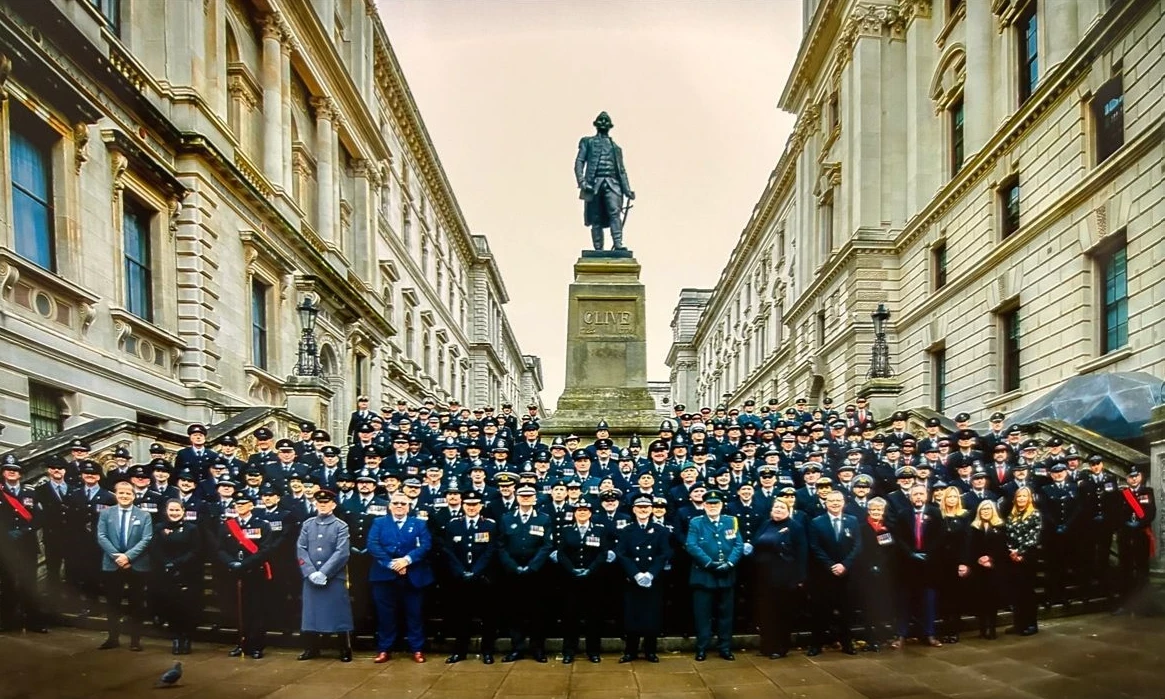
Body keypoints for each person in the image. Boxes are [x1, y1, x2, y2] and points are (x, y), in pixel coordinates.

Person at [368, 491, 433, 664]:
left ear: (409, 506)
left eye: (403, 504)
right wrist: (392, 564)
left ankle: (417, 649)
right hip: (384, 575)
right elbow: (373, 544)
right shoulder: (379, 522)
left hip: (413, 575)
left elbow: (426, 545)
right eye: (395, 503)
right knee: (385, 614)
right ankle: (384, 649)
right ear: (389, 506)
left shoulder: (419, 524)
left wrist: (406, 560)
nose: (399, 506)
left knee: (415, 614)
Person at [684, 490, 744, 661]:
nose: (712, 507)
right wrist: (709, 563)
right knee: (702, 615)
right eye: (709, 504)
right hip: (704, 575)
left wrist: (730, 563)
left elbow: (738, 545)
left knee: (726, 614)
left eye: (716, 503)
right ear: (703, 505)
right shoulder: (696, 522)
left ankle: (724, 648)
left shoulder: (731, 521)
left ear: (722, 505)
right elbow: (691, 545)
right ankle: (702, 648)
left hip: (727, 573)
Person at [498, 484, 554, 663]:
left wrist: (532, 567)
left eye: (530, 496)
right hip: (513, 573)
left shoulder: (544, 519)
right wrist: (513, 566)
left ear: (535, 499)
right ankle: (517, 648)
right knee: (515, 611)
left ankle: (537, 649)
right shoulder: (506, 518)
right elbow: (500, 545)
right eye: (522, 496)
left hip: (536, 574)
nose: (526, 499)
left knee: (537, 612)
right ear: (516, 497)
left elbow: (547, 545)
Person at [296, 490, 354, 662]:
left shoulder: (340, 525)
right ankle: (311, 648)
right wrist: (310, 572)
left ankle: (344, 648)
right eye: (319, 502)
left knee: (338, 613)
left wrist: (324, 572)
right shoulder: (308, 524)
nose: (322, 505)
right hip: (311, 576)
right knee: (311, 614)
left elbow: (342, 552)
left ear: (333, 505)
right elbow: (301, 549)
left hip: (333, 577)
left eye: (326, 503)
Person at [442, 491, 499, 665]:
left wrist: (475, 571)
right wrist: (461, 571)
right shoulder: (453, 525)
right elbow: (448, 551)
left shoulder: (489, 525)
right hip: (461, 579)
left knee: (488, 618)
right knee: (461, 617)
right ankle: (460, 652)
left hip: (482, 579)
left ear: (481, 506)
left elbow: (490, 551)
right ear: (463, 505)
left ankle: (487, 652)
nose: (471, 508)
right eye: (468, 504)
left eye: (475, 505)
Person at [95, 480, 153, 650]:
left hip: (137, 565)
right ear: (116, 495)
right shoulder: (106, 514)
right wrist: (117, 557)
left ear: (134, 496)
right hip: (112, 564)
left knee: (136, 603)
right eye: (121, 493)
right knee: (113, 603)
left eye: (128, 493)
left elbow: (146, 538)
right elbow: (101, 536)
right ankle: (113, 638)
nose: (124, 496)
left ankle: (135, 640)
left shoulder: (144, 515)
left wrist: (127, 557)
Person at [215, 493, 274, 659]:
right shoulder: (227, 526)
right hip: (234, 573)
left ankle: (256, 646)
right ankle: (241, 643)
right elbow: (220, 548)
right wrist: (231, 562)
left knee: (256, 610)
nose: (240, 507)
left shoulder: (262, 525)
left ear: (251, 506)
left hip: (254, 573)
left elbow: (266, 549)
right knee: (238, 610)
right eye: (237, 504)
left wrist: (246, 564)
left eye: (244, 504)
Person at [616, 495, 672, 663]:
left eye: (646, 508)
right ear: (634, 510)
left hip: (652, 578)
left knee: (652, 615)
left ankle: (650, 651)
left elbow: (664, 553)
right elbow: (621, 553)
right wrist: (636, 574)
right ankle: (630, 651)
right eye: (639, 508)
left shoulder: (661, 530)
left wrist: (651, 574)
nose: (643, 510)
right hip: (633, 578)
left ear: (651, 510)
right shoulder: (627, 530)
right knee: (632, 614)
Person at [555, 500, 610, 663]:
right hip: (571, 580)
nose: (582, 513)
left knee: (594, 616)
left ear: (591, 513)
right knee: (570, 616)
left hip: (593, 580)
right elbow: (561, 553)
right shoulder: (566, 530)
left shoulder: (599, 530)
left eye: (585, 510)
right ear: (574, 513)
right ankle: (569, 651)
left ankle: (593, 651)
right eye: (579, 510)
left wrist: (590, 570)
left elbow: (603, 553)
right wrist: (572, 570)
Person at [806, 490, 860, 656]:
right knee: (821, 611)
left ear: (843, 502)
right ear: (826, 503)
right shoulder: (816, 522)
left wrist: (845, 565)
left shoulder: (852, 520)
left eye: (838, 500)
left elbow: (857, 545)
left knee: (846, 611)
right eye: (831, 501)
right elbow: (814, 547)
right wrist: (831, 565)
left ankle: (847, 644)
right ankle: (816, 645)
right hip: (824, 575)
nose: (835, 503)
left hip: (846, 574)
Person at [751, 499, 806, 658]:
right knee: (766, 613)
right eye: (776, 507)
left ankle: (780, 648)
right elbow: (756, 543)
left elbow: (802, 553)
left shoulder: (795, 527)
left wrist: (800, 577)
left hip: (785, 578)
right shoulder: (766, 524)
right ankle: (766, 646)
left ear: (789, 510)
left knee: (782, 614)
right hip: (763, 578)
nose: (778, 510)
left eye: (782, 507)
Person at [150, 498, 202, 654]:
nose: (174, 513)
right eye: (171, 510)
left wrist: (178, 563)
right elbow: (154, 549)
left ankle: (186, 639)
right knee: (171, 608)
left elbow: (195, 550)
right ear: (166, 511)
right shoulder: (159, 528)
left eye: (177, 510)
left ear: (183, 511)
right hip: (165, 573)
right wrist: (166, 563)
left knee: (186, 608)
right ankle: (175, 638)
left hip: (186, 573)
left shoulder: (192, 529)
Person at [1113, 465, 1156, 616]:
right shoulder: (1121, 494)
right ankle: (1125, 605)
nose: (1133, 478)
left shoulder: (1147, 492)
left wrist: (1140, 523)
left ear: (1141, 476)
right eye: (1131, 476)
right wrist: (1126, 524)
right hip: (1125, 536)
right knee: (1125, 570)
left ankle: (1144, 607)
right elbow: (1116, 513)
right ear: (1127, 478)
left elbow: (1151, 513)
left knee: (1142, 571)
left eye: (1136, 476)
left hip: (1141, 535)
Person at [856, 497, 896, 651]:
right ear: (868, 511)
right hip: (866, 572)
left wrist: (880, 565)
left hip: (883, 572)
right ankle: (870, 639)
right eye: (873, 510)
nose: (876, 512)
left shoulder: (888, 527)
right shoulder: (861, 527)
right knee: (867, 607)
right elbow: (860, 549)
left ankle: (881, 638)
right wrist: (870, 565)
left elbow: (890, 549)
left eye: (879, 510)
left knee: (881, 605)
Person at [966, 501, 1007, 639]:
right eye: (983, 509)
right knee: (981, 600)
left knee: (992, 600)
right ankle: (982, 629)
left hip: (994, 569)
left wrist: (991, 559)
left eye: (988, 509)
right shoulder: (973, 527)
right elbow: (970, 548)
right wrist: (978, 560)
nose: (985, 511)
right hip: (978, 570)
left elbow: (1002, 547)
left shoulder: (1000, 526)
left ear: (993, 510)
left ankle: (992, 629)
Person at [1005, 487, 1042, 636]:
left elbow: (1034, 537)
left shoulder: (1035, 514)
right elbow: (1006, 535)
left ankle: (1031, 624)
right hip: (1013, 558)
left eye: (1024, 497)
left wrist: (1020, 552)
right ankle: (1018, 624)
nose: (1021, 499)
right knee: (1016, 593)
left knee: (1028, 593)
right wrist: (1011, 551)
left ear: (1029, 499)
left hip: (1028, 558)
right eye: (1019, 496)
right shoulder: (1011, 516)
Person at [936, 486, 971, 644]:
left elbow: (967, 541)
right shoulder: (939, 515)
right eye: (948, 497)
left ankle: (954, 631)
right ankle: (945, 630)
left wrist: (964, 562)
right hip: (941, 562)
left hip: (956, 561)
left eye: (954, 497)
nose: (951, 499)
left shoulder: (964, 516)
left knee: (955, 598)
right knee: (943, 598)